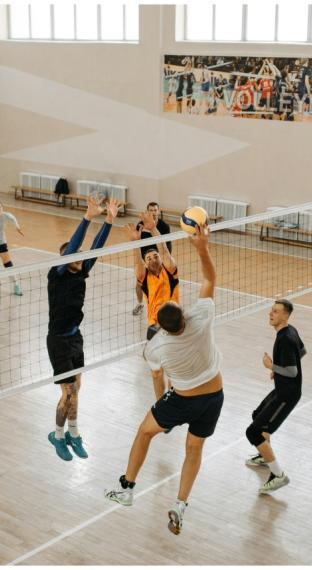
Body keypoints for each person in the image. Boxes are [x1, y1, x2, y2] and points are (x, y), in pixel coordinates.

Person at [105, 223, 222, 536]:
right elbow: (210, 278)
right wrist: (201, 247)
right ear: (182, 313)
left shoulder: (156, 347)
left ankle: (127, 488)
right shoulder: (202, 318)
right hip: (214, 397)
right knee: (194, 451)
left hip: (182, 399)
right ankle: (180, 504)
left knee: (145, 432)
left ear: (161, 324)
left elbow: (157, 376)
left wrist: (161, 408)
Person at [46, 196, 119, 461]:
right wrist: (87, 217)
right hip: (58, 342)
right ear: (65, 258)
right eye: (73, 255)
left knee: (76, 391)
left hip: (75, 338)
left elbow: (95, 248)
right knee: (67, 394)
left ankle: (74, 435)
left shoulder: (81, 271)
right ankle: (57, 435)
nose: (79, 257)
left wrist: (109, 220)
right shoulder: (57, 275)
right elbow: (76, 246)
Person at [244, 299, 306, 494]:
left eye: (276, 312)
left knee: (253, 432)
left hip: (287, 395)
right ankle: (264, 455)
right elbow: (302, 351)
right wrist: (279, 371)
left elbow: (293, 371)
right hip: (282, 389)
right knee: (257, 415)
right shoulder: (290, 331)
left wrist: (273, 367)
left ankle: (278, 475)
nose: (271, 314)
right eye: (271, 311)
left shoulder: (285, 338)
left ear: (285, 316)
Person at [127, 210, 179, 400]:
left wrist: (154, 229)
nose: (152, 259)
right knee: (157, 372)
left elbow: (164, 250)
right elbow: (137, 262)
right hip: (154, 325)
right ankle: (161, 402)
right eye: (148, 258)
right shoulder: (145, 277)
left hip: (174, 322)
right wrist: (136, 244)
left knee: (172, 367)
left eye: (154, 256)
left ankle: (176, 397)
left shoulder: (170, 271)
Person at [131, 202, 173, 317]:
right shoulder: (140, 225)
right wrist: (140, 261)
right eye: (151, 210)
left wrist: (164, 261)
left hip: (158, 261)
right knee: (139, 284)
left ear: (158, 211)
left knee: (161, 285)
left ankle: (164, 306)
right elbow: (137, 242)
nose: (153, 212)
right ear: (147, 211)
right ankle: (140, 304)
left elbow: (167, 246)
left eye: (155, 210)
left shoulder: (164, 226)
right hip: (145, 260)